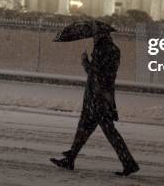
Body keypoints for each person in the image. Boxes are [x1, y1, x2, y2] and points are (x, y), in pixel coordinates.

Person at [50, 28, 140, 176]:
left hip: (96, 98)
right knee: (84, 130)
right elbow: (106, 74)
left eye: (94, 35)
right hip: (102, 97)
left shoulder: (101, 49)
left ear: (100, 35)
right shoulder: (114, 50)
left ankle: (129, 163)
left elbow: (95, 73)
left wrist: (85, 61)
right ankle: (70, 158)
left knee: (107, 132)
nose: (93, 38)